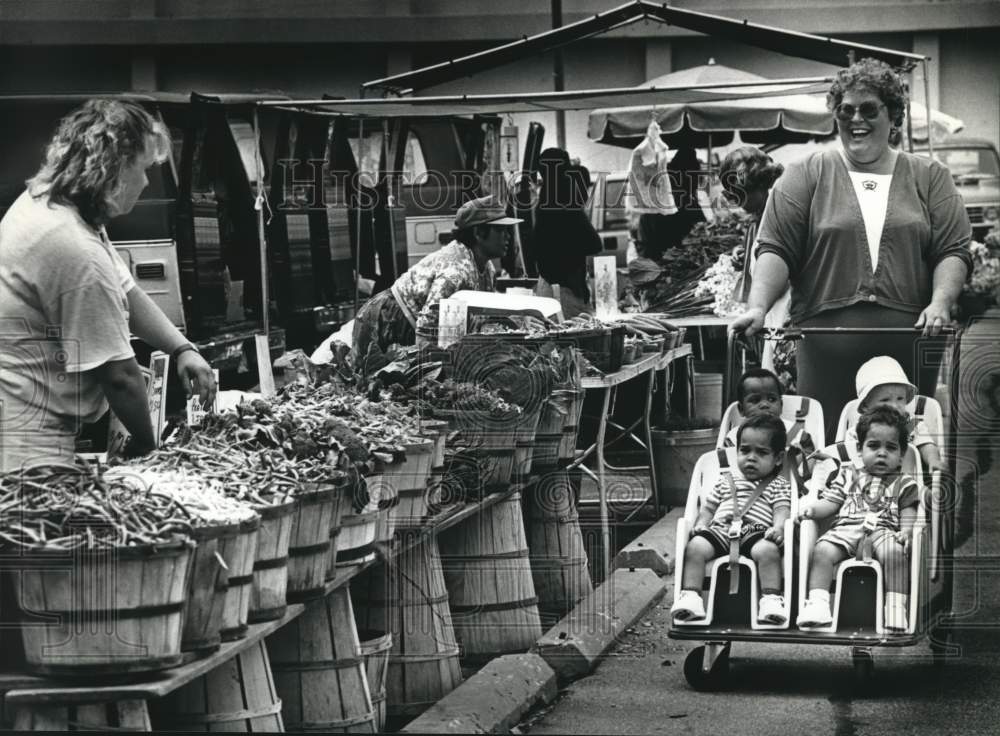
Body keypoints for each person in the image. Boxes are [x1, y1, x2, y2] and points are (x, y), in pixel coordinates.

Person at [728, 58, 972, 441]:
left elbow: (953, 250)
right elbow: (775, 247)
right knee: (828, 454)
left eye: (869, 109)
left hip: (910, 347)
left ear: (893, 116)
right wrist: (757, 307)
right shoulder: (805, 175)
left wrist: (940, 302)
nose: (856, 118)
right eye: (845, 110)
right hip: (824, 351)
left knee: (905, 453)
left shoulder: (930, 177)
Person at [0, 99, 217, 472]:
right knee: (43, 524)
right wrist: (153, 452)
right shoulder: (72, 246)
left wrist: (183, 348)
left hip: (28, 420)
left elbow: (128, 291)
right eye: (144, 168)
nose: (147, 182)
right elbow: (120, 377)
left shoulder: (57, 206)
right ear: (114, 168)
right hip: (30, 438)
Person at [797, 405, 920, 632]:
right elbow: (831, 503)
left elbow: (908, 511)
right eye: (873, 446)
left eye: (891, 448)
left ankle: (895, 607)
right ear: (860, 449)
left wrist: (906, 532)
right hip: (846, 529)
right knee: (822, 550)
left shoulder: (905, 483)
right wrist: (812, 511)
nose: (882, 453)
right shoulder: (849, 474)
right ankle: (818, 603)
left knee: (895, 554)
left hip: (883, 531)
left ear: (902, 455)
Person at [352, 196, 521, 359]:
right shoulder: (456, 273)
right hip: (387, 319)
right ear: (478, 233)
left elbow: (483, 315)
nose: (507, 236)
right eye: (500, 230)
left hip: (407, 320)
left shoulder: (487, 268)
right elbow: (428, 330)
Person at [671, 414, 792, 625]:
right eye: (745, 450)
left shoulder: (777, 484)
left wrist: (779, 528)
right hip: (721, 528)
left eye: (762, 452)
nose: (751, 458)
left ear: (778, 458)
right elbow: (708, 508)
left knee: (768, 551)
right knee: (695, 547)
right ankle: (691, 596)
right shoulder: (726, 480)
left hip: (755, 530)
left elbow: (782, 509)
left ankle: (771, 599)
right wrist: (701, 524)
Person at [809, 356, 942, 492]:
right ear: (866, 406)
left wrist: (933, 460)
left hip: (907, 489)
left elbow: (927, 445)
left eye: (900, 398)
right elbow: (848, 458)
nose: (895, 406)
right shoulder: (857, 432)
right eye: (885, 400)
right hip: (866, 487)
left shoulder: (912, 426)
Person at [532, 148, 603, 319]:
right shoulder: (563, 202)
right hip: (563, 292)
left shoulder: (546, 200)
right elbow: (595, 244)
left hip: (550, 285)